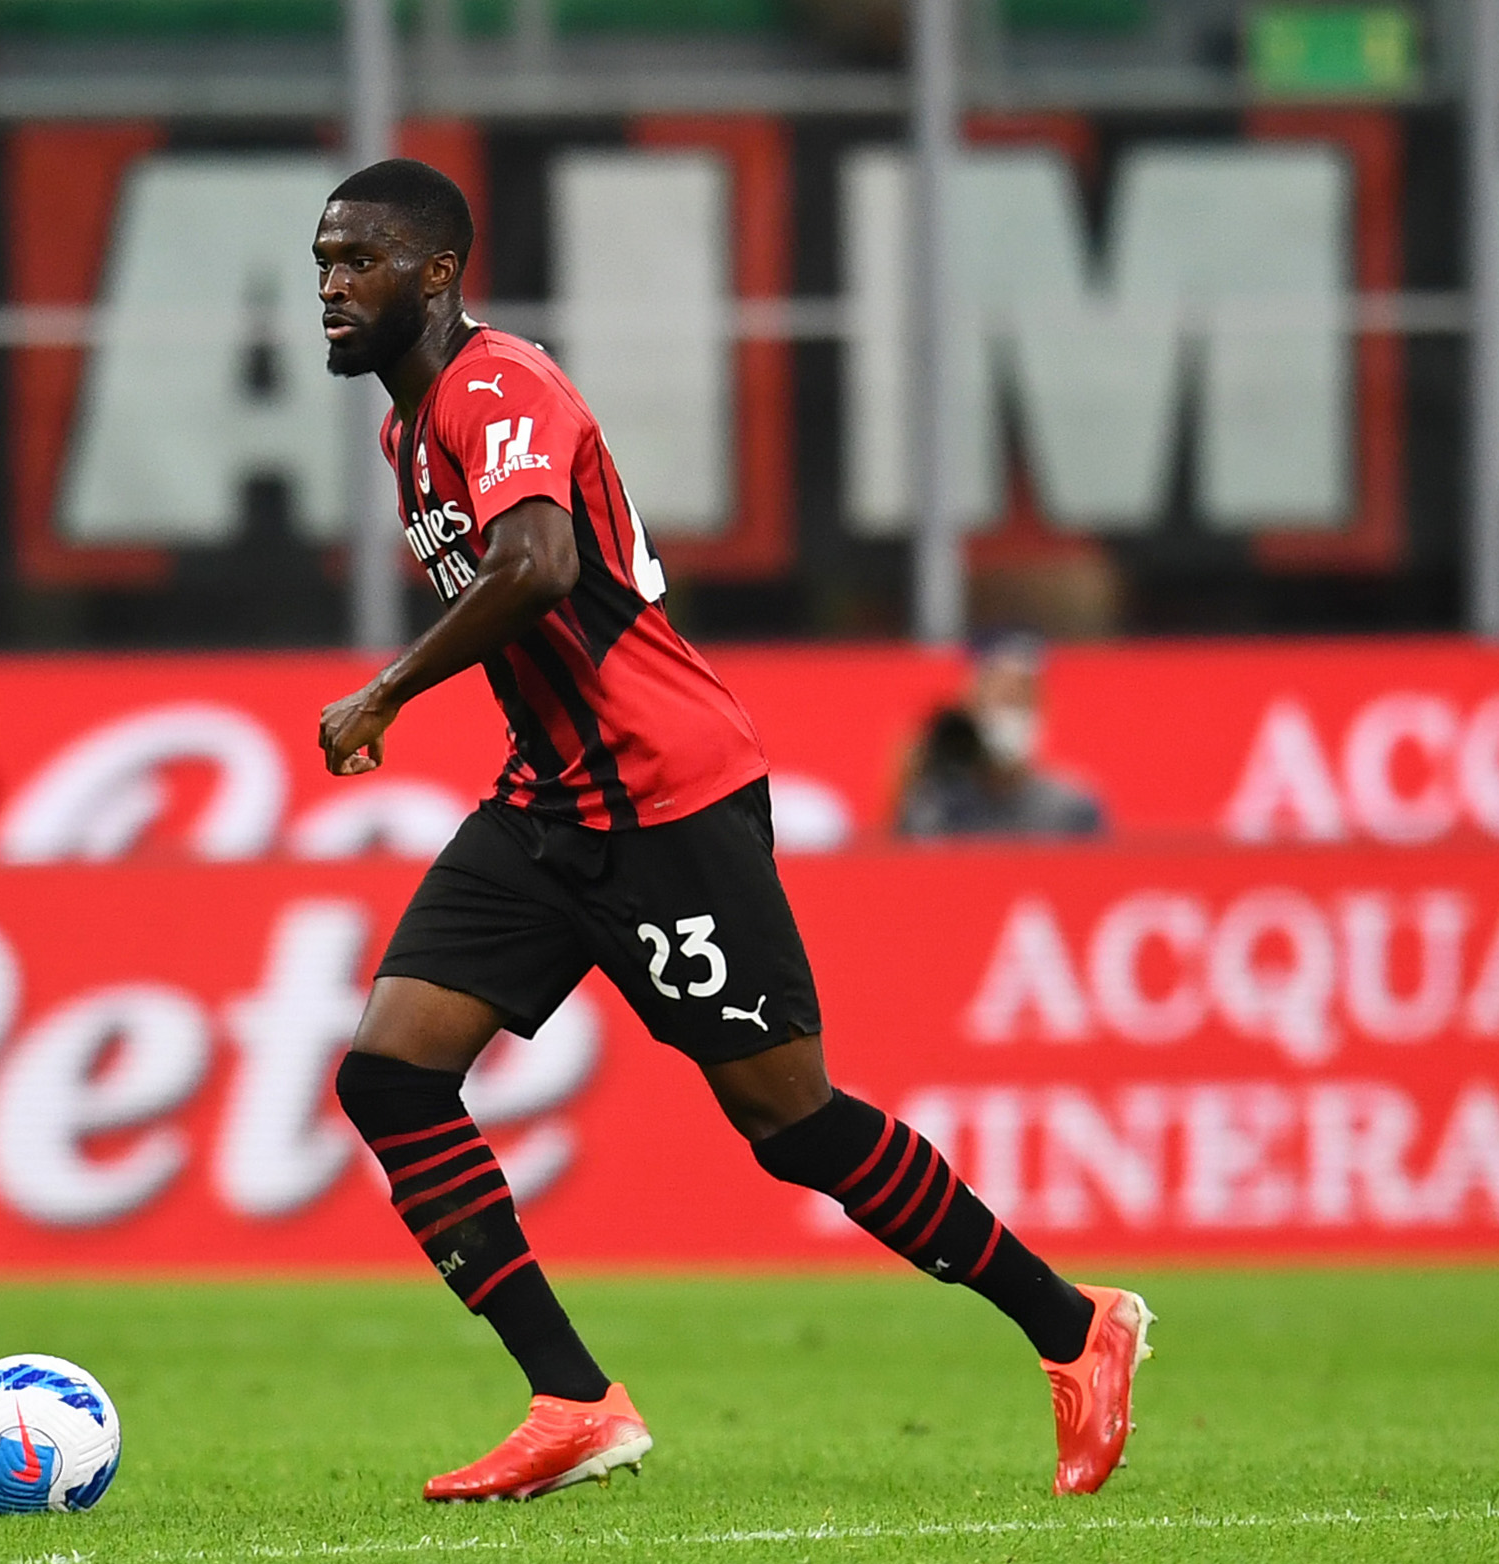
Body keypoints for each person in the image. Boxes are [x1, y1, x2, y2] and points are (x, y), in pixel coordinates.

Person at [311, 159, 1153, 1505]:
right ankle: (573, 1397)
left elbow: (538, 568)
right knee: (389, 1074)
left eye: (357, 262)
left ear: (435, 271)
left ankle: (1074, 1325)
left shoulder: (496, 388)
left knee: (791, 1122)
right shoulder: (405, 432)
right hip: (549, 803)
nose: (331, 290)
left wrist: (388, 693)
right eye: (321, 265)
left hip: (665, 793)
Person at [896, 631, 1105, 840]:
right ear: (971, 708)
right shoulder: (938, 807)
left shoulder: (1071, 810)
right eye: (1002, 698)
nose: (1011, 713)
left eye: (1022, 699)